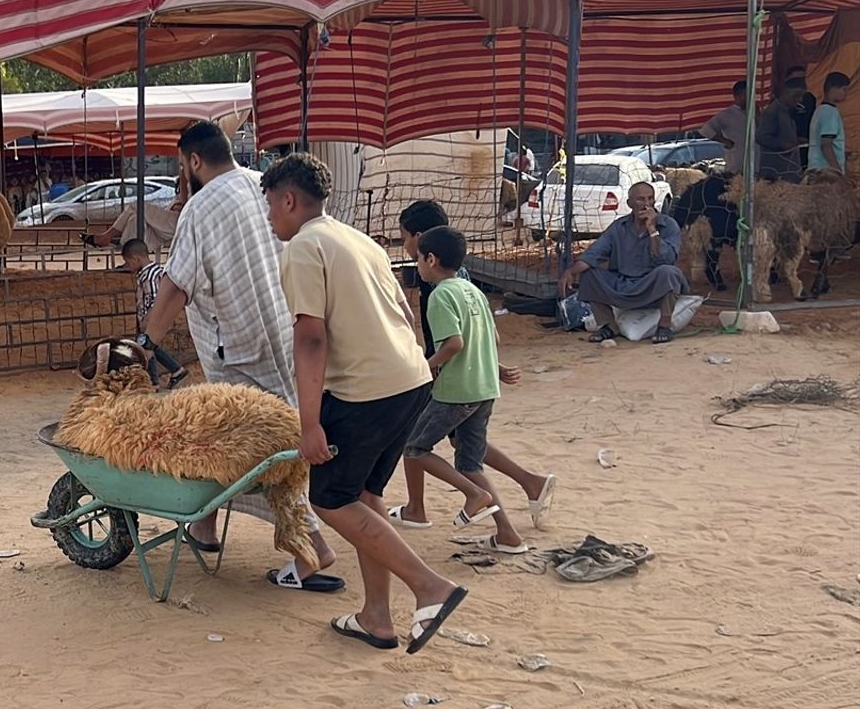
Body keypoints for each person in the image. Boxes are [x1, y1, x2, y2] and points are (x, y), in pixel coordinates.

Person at [264, 152, 466, 653]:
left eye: (270, 206)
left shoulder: (304, 248)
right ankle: (377, 616)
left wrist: (309, 423)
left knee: (330, 499)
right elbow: (405, 307)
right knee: (367, 499)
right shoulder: (357, 239)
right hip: (410, 380)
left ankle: (430, 588)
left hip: (365, 391)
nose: (269, 217)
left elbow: (310, 338)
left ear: (289, 200)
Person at [138, 120, 343, 593]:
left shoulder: (199, 208)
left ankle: (311, 545)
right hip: (285, 329)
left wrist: (147, 343)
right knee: (232, 438)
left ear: (192, 161)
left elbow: (176, 285)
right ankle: (204, 525)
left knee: (261, 450)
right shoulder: (264, 185)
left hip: (238, 346)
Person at [390, 200, 557, 532]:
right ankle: (511, 521)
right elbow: (485, 333)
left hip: (452, 379)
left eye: (404, 237)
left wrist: (428, 365)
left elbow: (456, 340)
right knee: (466, 453)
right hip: (474, 380)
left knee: (414, 442)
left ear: (424, 247)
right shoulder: (464, 282)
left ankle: (421, 508)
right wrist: (489, 365)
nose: (403, 245)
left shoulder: (437, 287)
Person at [559, 182, 688, 344]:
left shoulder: (668, 225)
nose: (646, 204)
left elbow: (667, 259)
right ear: (629, 204)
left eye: (650, 199)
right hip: (624, 284)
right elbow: (594, 253)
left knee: (669, 273)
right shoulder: (619, 227)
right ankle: (607, 326)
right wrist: (571, 272)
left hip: (653, 285)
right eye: (640, 200)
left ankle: (664, 325)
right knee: (590, 273)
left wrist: (652, 230)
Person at [121, 238, 189, 390]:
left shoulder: (150, 276)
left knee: (146, 347)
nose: (128, 266)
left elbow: (155, 299)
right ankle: (176, 370)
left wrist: (148, 319)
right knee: (151, 347)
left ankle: (153, 382)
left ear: (136, 258)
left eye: (128, 262)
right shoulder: (148, 273)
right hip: (146, 319)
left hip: (149, 320)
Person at [82, 168, 191, 251]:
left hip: (180, 220)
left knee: (137, 205)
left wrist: (179, 205)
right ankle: (131, 257)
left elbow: (184, 200)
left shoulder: (189, 170)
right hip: (172, 218)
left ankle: (108, 236)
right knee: (135, 219)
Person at [756, 78, 807, 182]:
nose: (800, 100)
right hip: (775, 172)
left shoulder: (788, 111)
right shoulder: (772, 112)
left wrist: (797, 140)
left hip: (788, 170)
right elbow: (761, 137)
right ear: (785, 93)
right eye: (796, 95)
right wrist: (782, 145)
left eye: (802, 96)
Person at [700, 80, 753, 171]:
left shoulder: (755, 112)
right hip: (736, 161)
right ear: (738, 96)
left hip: (755, 161)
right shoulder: (727, 114)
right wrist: (725, 141)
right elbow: (705, 130)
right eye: (747, 95)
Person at [809, 72, 850, 176]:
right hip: (827, 172)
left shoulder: (819, 110)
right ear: (833, 88)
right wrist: (837, 170)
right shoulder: (830, 112)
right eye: (844, 89)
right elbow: (826, 144)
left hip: (815, 167)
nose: (846, 93)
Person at [787, 65, 818, 169]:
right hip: (789, 149)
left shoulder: (810, 98)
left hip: (808, 147)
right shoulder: (782, 100)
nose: (800, 83)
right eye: (796, 80)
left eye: (802, 79)